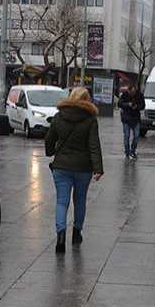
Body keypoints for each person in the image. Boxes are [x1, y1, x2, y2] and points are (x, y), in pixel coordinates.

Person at [45, 86, 104, 254]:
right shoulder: (90, 120)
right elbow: (94, 145)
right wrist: (98, 168)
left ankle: (60, 236)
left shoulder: (58, 117)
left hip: (61, 166)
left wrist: (50, 152)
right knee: (80, 200)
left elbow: (49, 139)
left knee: (62, 201)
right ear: (86, 100)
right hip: (83, 168)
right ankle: (77, 232)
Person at [118, 83, 144, 160]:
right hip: (126, 119)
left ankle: (132, 151)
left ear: (135, 90)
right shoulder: (125, 94)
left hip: (135, 119)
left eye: (133, 92)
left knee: (136, 136)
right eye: (130, 92)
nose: (132, 94)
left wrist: (137, 107)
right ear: (128, 91)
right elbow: (119, 104)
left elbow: (143, 106)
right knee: (126, 136)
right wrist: (127, 104)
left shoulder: (140, 95)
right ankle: (127, 152)